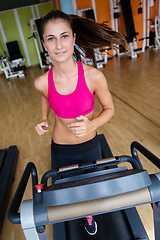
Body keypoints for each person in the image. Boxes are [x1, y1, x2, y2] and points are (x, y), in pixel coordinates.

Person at [35, 10, 127, 235]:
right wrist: (44, 119)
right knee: (68, 190)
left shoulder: (93, 76)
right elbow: (46, 97)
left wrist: (92, 125)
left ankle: (89, 214)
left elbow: (109, 109)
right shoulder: (40, 82)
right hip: (60, 147)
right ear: (44, 45)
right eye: (51, 38)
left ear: (74, 38)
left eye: (64, 36)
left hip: (89, 145)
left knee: (90, 189)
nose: (58, 45)